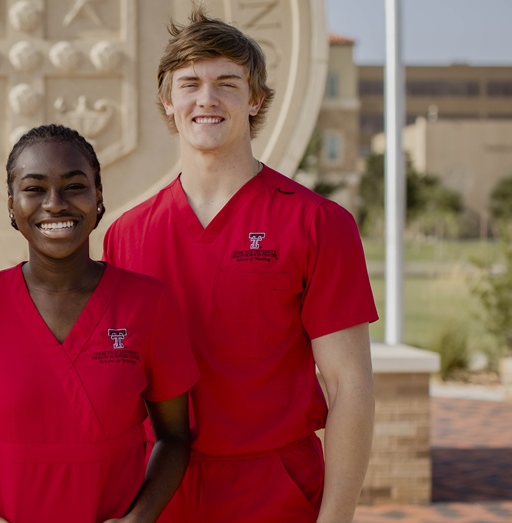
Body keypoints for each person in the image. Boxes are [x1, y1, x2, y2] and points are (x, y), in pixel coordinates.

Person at [102, 7, 379, 523]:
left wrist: (336, 517)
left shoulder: (319, 223)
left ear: (255, 99)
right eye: (190, 84)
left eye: (227, 83)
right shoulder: (126, 234)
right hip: (157, 491)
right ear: (168, 101)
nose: (206, 98)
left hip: (275, 490)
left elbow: (349, 385)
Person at [0, 124, 198, 523]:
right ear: (11, 204)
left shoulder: (149, 304)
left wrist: (138, 519)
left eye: (74, 186)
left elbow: (175, 437)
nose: (55, 204)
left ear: (98, 198)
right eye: (35, 189)